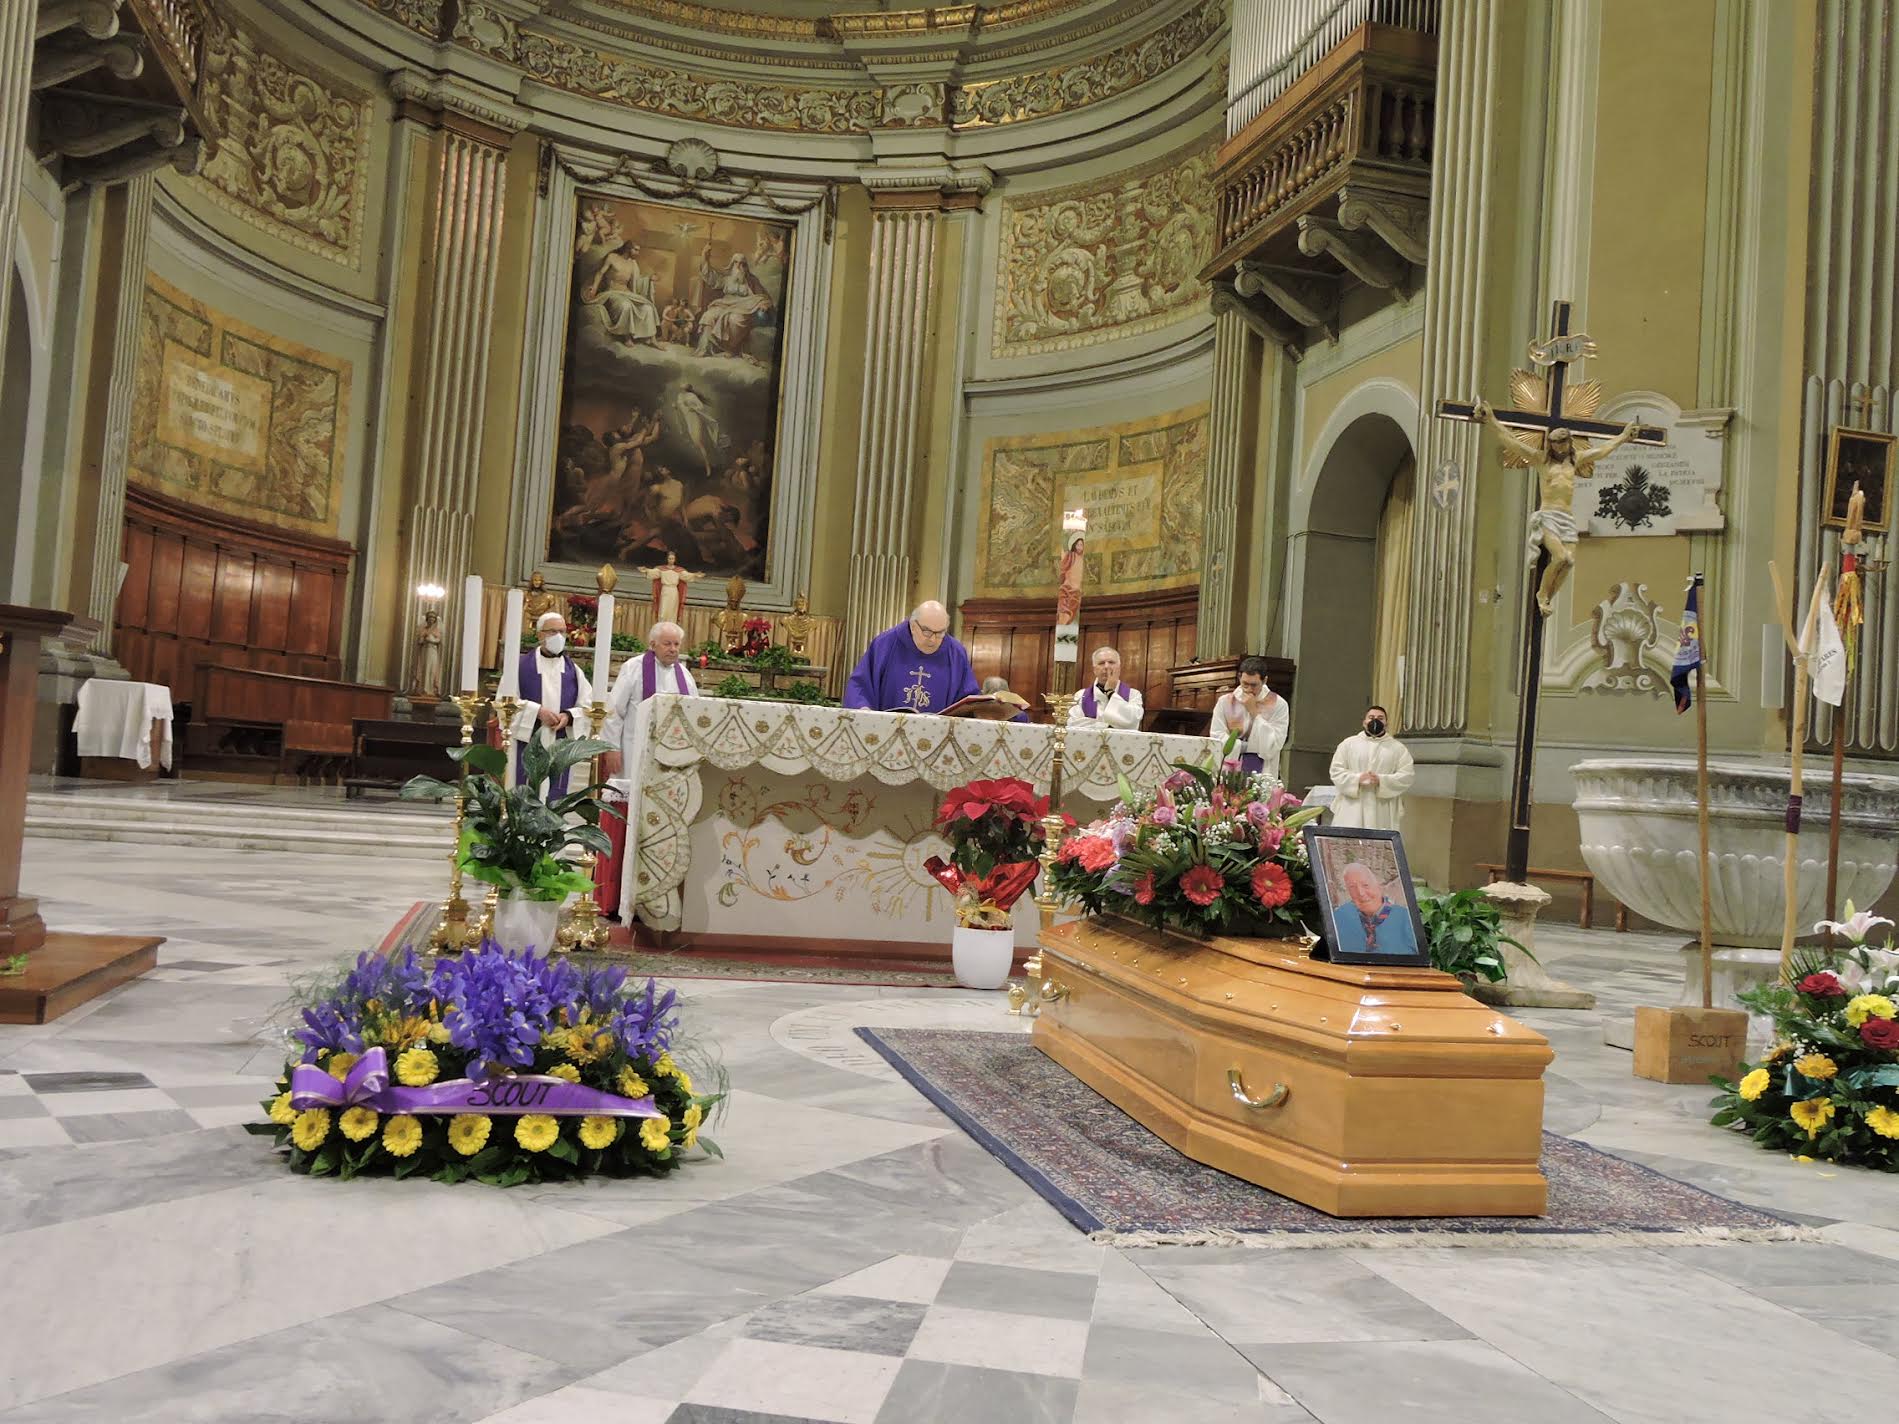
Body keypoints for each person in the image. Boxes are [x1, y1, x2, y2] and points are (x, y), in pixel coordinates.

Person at [508, 612, 595, 798]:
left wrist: (568, 716)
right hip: (529, 738)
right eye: (553, 631)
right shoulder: (520, 666)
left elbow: (588, 705)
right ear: (540, 634)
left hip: (560, 740)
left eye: (562, 632)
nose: (559, 637)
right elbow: (506, 703)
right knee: (526, 790)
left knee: (555, 792)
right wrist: (537, 711)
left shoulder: (574, 671)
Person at [601, 621, 697, 779]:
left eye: (676, 644)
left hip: (672, 752)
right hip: (634, 749)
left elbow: (693, 711)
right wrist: (612, 748)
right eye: (667, 644)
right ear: (653, 644)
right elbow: (614, 710)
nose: (673, 649)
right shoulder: (633, 668)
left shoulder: (685, 676)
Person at [844, 601, 979, 713]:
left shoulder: (956, 653)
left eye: (940, 633)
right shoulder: (885, 644)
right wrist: (863, 709)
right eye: (927, 632)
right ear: (913, 626)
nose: (933, 639)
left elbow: (968, 698)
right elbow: (860, 685)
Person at [1328, 705, 1415, 831]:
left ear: (1386, 723)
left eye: (1380, 718)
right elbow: (1336, 771)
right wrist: (1357, 779)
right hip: (1353, 806)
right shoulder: (1348, 744)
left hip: (1383, 807)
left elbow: (1407, 775)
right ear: (1364, 722)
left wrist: (1381, 780)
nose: (1376, 721)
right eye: (1371, 717)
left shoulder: (1398, 748)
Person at [1209, 656, 1288, 780]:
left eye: (1254, 685)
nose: (1249, 690)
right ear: (1240, 678)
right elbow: (1216, 737)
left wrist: (1254, 713)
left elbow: (1274, 745)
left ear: (1264, 681)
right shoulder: (1225, 702)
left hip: (1262, 771)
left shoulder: (1278, 704)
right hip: (1228, 768)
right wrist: (1243, 746)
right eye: (1245, 684)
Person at [1328, 861, 1419, 958]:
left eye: (1365, 885)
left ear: (1379, 886)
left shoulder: (1407, 918)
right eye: (1352, 887)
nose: (1361, 893)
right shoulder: (1339, 917)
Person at [1069, 646, 1143, 730]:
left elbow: (1132, 723)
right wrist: (1108, 726)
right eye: (1101, 663)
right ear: (1094, 669)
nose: (1106, 666)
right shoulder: (1080, 695)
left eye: (1111, 662)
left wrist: (1110, 692)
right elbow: (1074, 724)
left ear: (1119, 668)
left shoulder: (1133, 695)